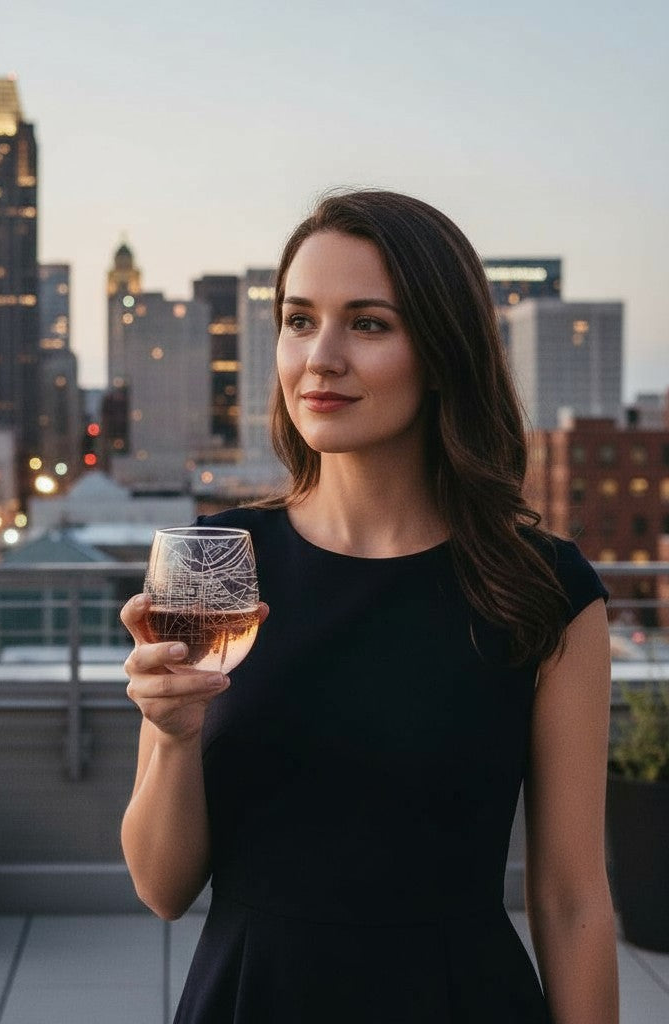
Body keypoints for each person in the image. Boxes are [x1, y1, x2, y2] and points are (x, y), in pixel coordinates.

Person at [120, 189, 618, 1022]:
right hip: (252, 999)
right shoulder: (218, 563)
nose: (321, 358)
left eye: (369, 324)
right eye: (299, 320)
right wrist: (172, 734)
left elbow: (572, 902)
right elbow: (161, 888)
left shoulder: (545, 589)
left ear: (444, 350)